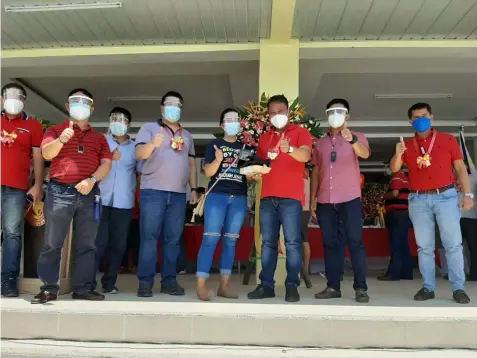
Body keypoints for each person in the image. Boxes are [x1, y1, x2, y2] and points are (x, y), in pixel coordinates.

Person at [32, 88, 112, 304]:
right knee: (52, 242)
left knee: (87, 244)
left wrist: (92, 180)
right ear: (68, 107)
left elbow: (106, 163)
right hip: (59, 192)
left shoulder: (99, 139)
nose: (80, 106)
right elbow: (47, 153)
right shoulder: (55, 130)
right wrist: (61, 140)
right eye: (75, 102)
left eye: (85, 103)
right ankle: (49, 288)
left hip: (89, 194)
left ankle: (83, 288)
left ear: (92, 108)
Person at [390, 102, 473, 304]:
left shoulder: (447, 140)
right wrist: (398, 152)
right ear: (410, 121)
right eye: (416, 117)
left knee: (453, 244)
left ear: (432, 117)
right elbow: (394, 169)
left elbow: (461, 168)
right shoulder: (407, 145)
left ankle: (458, 288)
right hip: (418, 198)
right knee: (424, 247)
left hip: (446, 195)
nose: (421, 120)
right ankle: (428, 287)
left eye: (424, 115)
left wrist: (468, 195)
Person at [247, 95, 312, 303]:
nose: (277, 116)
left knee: (293, 243)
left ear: (288, 112)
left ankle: (292, 286)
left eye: (280, 111)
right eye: (272, 113)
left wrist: (290, 149)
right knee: (267, 244)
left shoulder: (301, 133)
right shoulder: (265, 138)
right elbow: (261, 164)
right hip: (267, 197)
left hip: (291, 198)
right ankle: (266, 285)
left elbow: (305, 156)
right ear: (268, 115)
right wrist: (253, 173)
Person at [135, 90, 198, 297]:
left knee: (173, 240)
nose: (173, 108)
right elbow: (139, 153)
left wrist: (195, 189)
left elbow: (191, 163)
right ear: (162, 108)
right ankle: (145, 282)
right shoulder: (149, 129)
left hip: (179, 195)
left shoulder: (186, 135)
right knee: (149, 238)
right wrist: (153, 144)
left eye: (177, 105)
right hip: (153, 192)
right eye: (169, 104)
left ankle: (169, 281)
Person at [310, 98, 371, 303]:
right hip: (326, 199)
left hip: (350, 198)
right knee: (329, 243)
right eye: (331, 111)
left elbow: (365, 154)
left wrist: (352, 139)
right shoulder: (320, 143)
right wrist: (313, 198)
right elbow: (316, 171)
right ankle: (332, 286)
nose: (335, 115)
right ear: (327, 115)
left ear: (347, 115)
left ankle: (360, 288)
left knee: (355, 242)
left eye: (340, 111)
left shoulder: (358, 137)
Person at [196, 108, 258, 300]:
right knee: (210, 238)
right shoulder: (214, 144)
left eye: (236, 120)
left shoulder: (246, 148)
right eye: (228, 120)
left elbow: (246, 178)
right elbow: (207, 172)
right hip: (217, 196)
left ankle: (224, 286)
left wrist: (252, 177)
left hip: (238, 198)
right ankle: (201, 286)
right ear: (221, 125)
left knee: (231, 241)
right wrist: (218, 160)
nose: (232, 123)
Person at [1, 83, 44, 297]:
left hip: (16, 188)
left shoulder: (34, 126)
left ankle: (8, 281)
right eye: (9, 95)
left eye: (19, 96)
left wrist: (37, 185)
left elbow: (38, 157)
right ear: (1, 99)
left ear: (25, 100)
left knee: (12, 234)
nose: (13, 99)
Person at [92, 107, 139, 294]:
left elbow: (140, 172)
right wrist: (109, 158)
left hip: (124, 202)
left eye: (122, 120)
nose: (118, 123)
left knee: (118, 245)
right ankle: (88, 282)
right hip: (100, 200)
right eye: (114, 119)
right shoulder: (100, 142)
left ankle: (109, 282)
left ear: (128, 124)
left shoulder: (135, 148)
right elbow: (91, 168)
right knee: (97, 243)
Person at [379, 171, 413, 281]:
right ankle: (406, 272)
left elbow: (394, 193)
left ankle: (393, 273)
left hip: (397, 214)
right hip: (404, 214)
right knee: (403, 244)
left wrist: (383, 196)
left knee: (396, 244)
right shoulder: (406, 178)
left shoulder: (397, 176)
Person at [459, 171, 477, 281]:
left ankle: (474, 273)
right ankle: (457, 273)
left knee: (473, 247)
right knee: (455, 247)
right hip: (456, 216)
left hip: (471, 217)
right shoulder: (451, 176)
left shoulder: (474, 177)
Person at [302, 171, 312, 273]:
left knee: (295, 240)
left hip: (298, 209)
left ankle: (300, 269)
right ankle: (305, 268)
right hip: (306, 210)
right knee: (305, 240)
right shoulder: (307, 175)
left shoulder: (297, 174)